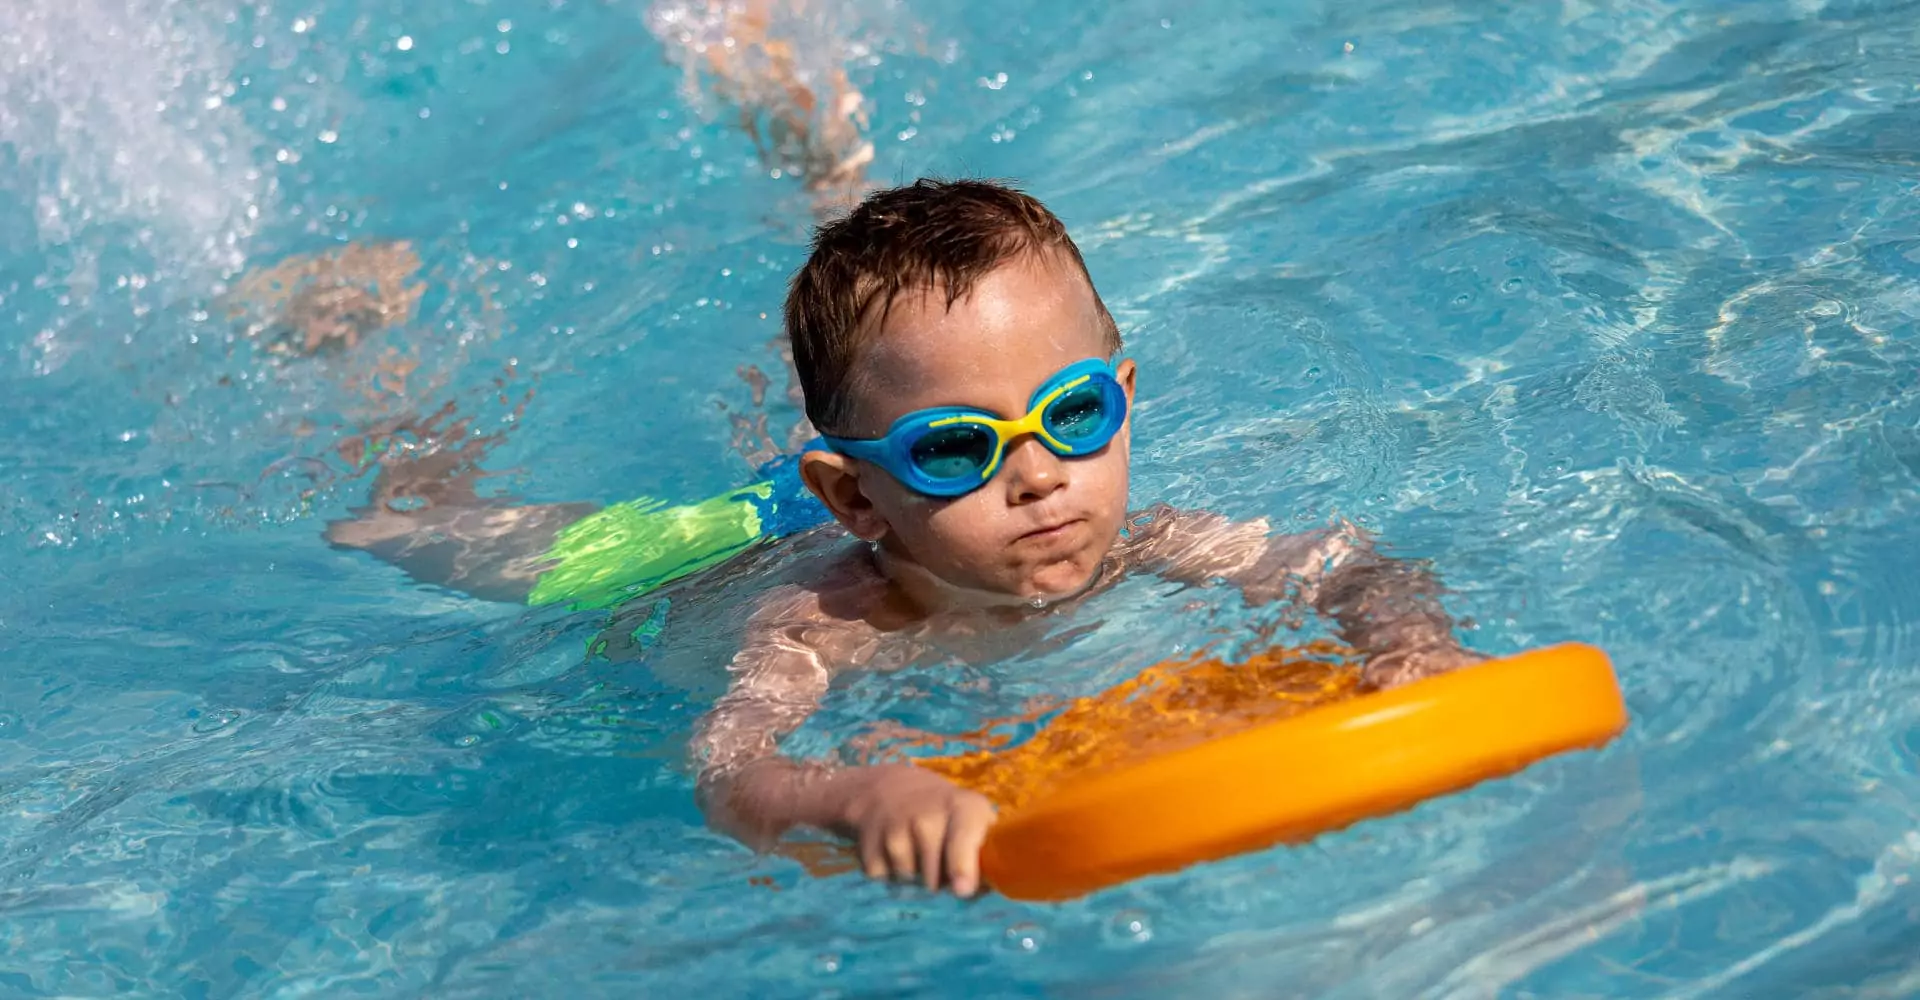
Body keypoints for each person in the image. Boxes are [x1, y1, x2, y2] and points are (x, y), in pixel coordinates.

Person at [327, 179, 1486, 899]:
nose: (1038, 475)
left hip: (847, 469)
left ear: (1124, 391)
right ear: (857, 505)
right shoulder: (829, 621)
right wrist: (853, 799)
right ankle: (360, 353)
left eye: (1075, 415)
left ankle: (821, 165)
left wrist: (1411, 643)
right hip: (700, 553)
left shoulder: (1150, 538)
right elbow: (730, 772)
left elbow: (1349, 565)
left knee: (834, 366)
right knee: (406, 527)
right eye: (961, 448)